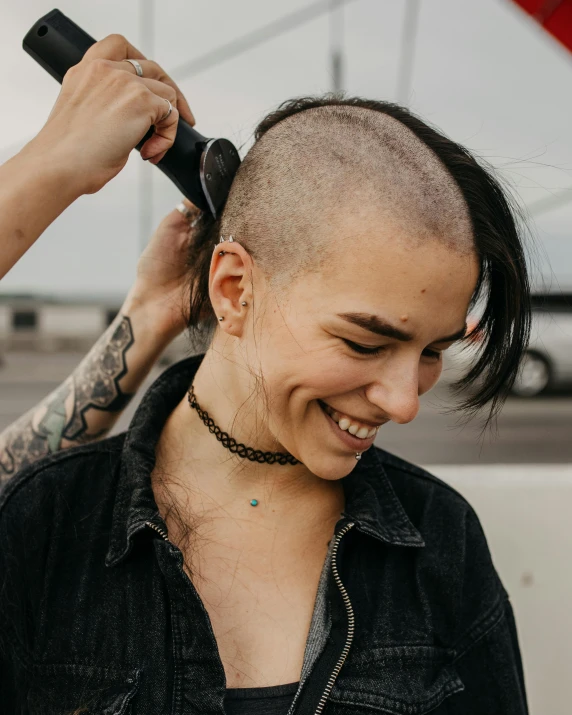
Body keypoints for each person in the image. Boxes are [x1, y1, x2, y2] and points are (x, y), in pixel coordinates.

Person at [0, 39, 531, 715]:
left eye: (432, 350)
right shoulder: (43, 524)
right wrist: (49, 168)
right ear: (232, 287)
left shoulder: (444, 543)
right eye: (366, 341)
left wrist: (148, 316)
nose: (404, 402)